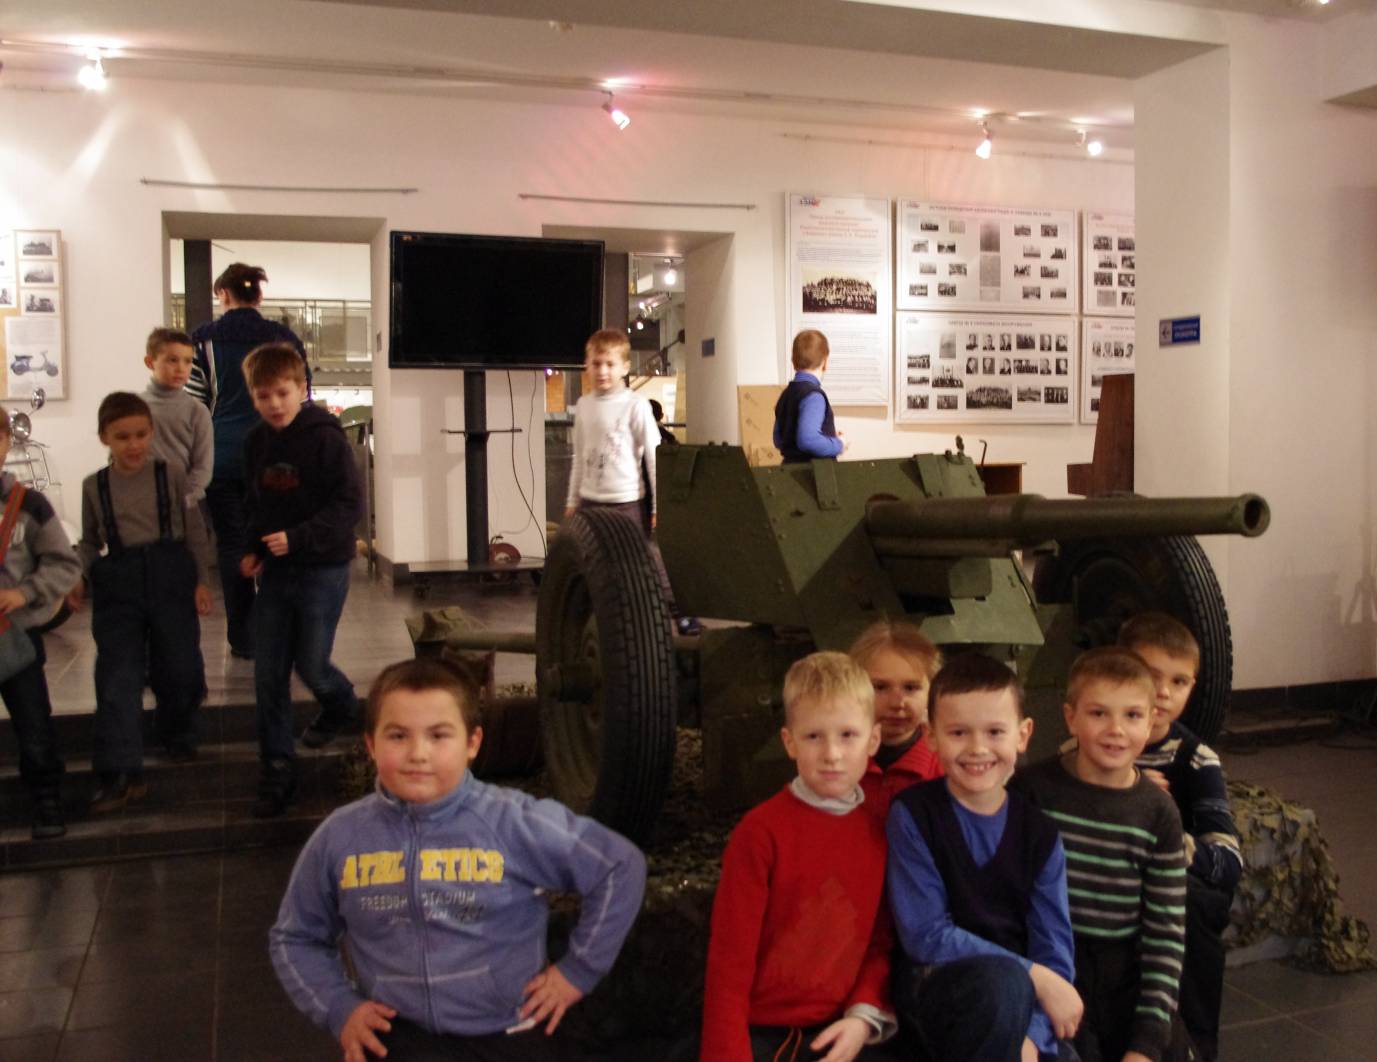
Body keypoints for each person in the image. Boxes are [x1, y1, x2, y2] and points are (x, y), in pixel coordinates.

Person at [270, 656, 646, 1062]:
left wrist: (578, 972)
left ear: (472, 743)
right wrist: (339, 1008)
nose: (418, 753)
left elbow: (619, 866)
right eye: (397, 735)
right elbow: (296, 937)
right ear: (371, 745)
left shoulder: (514, 823)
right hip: (397, 1037)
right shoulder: (340, 838)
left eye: (438, 735)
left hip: (511, 1033)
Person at [701, 651, 897, 1062]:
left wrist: (862, 1018)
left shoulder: (882, 830)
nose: (832, 753)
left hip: (841, 1029)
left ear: (873, 740)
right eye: (813, 737)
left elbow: (881, 940)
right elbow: (729, 962)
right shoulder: (760, 833)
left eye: (848, 735)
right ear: (789, 742)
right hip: (761, 1031)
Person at [886, 653, 1081, 1062]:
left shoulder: (1040, 835)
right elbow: (926, 935)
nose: (977, 748)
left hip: (1021, 1005)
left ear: (1023, 735)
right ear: (930, 736)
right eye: (958, 732)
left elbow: (1053, 951)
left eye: (995, 731)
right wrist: (1032, 975)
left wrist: (1032, 1038)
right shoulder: (913, 815)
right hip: (939, 990)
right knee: (1002, 984)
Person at [1016, 648, 1186, 1062]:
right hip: (1048, 961)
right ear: (1071, 717)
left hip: (1123, 974)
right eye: (1098, 714)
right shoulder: (1031, 790)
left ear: (1151, 721)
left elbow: (1164, 933)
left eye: (1132, 715)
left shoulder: (1158, 813)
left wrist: (1147, 1043)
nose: (1116, 730)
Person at [239, 342, 364, 817]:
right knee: (268, 673)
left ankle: (343, 704)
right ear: (253, 396)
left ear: (301, 389)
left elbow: (349, 504)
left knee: (312, 664)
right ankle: (276, 767)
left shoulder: (326, 439)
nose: (274, 404)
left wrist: (299, 537)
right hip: (277, 572)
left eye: (282, 393)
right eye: (264, 395)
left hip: (323, 568)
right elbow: (256, 503)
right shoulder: (255, 443)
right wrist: (254, 549)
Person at [70, 393, 212, 810]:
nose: (133, 444)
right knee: (117, 677)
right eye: (122, 437)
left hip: (171, 574)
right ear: (104, 438)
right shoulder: (94, 486)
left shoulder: (171, 474)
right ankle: (121, 773)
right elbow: (90, 541)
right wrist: (78, 576)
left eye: (140, 434)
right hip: (119, 583)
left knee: (180, 666)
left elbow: (194, 530)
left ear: (151, 433)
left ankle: (177, 731)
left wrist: (201, 580)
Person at [1118, 614, 1240, 1062]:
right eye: (1152, 676)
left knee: (1188, 903)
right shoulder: (1084, 748)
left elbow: (1227, 861)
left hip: (1175, 890)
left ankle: (1195, 1047)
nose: (1164, 693)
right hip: (1103, 883)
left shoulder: (1196, 760)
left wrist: (1165, 829)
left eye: (1179, 681)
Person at [187, 262, 311, 661]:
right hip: (277, 457)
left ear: (223, 294)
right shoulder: (285, 339)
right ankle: (279, 629)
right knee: (278, 540)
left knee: (232, 544)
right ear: (259, 295)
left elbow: (195, 406)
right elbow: (303, 399)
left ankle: (243, 636)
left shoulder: (202, 341)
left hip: (223, 458)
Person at [0, 406, 81, 840]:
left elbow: (63, 563)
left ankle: (47, 798)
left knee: (33, 721)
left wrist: (25, 593)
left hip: (17, 636)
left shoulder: (29, 504)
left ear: (6, 443)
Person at [563, 328, 660, 535]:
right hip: (589, 503)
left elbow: (654, 456)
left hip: (626, 504)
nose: (602, 371)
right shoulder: (583, 405)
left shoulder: (636, 405)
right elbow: (579, 458)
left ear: (625, 367)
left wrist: (657, 507)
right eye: (596, 364)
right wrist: (573, 500)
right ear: (587, 365)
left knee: (628, 557)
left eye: (610, 364)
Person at [849, 621, 942, 818]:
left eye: (911, 687)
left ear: (932, 691)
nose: (897, 703)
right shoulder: (835, 763)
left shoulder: (947, 769)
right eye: (880, 687)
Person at [143, 327, 213, 507]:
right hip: (144, 502)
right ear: (150, 362)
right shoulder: (134, 407)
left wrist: (183, 499)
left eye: (188, 361)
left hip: (186, 504)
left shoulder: (197, 411)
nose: (181, 368)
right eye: (172, 360)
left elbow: (203, 467)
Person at [773, 330, 844, 464]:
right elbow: (808, 440)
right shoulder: (814, 396)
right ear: (825, 362)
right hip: (813, 473)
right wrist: (838, 444)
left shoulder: (786, 393)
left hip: (788, 469)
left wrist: (827, 440)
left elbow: (778, 440)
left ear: (793, 361)